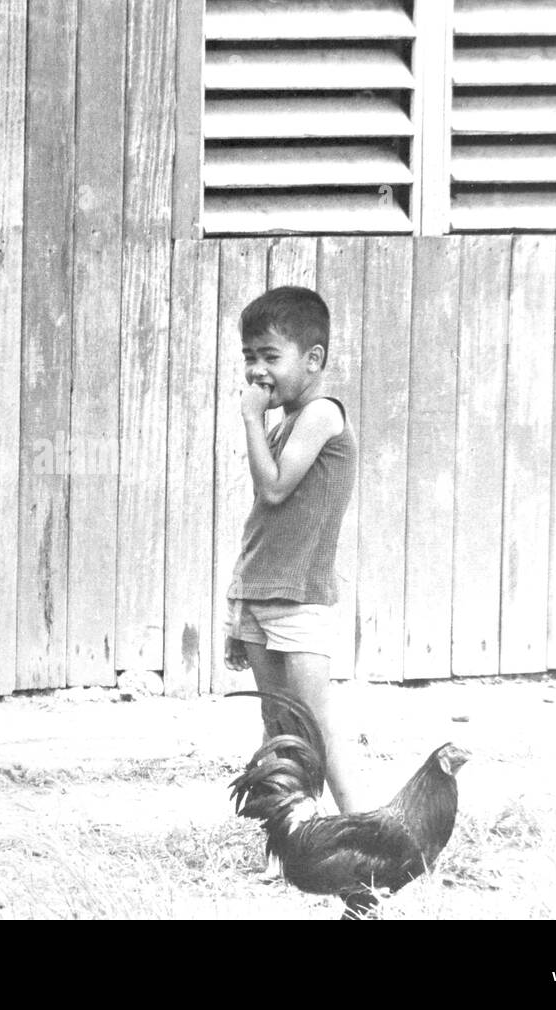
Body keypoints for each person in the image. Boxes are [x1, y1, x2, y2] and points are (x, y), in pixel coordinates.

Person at [224, 286, 359, 815]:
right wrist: (236, 607)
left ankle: (362, 830)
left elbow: (274, 488)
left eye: (270, 357)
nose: (257, 370)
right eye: (248, 357)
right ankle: (287, 833)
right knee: (277, 724)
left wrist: (251, 419)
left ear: (314, 359)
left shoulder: (322, 414)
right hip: (260, 593)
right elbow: (263, 523)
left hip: (299, 599)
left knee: (314, 718)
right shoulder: (280, 426)